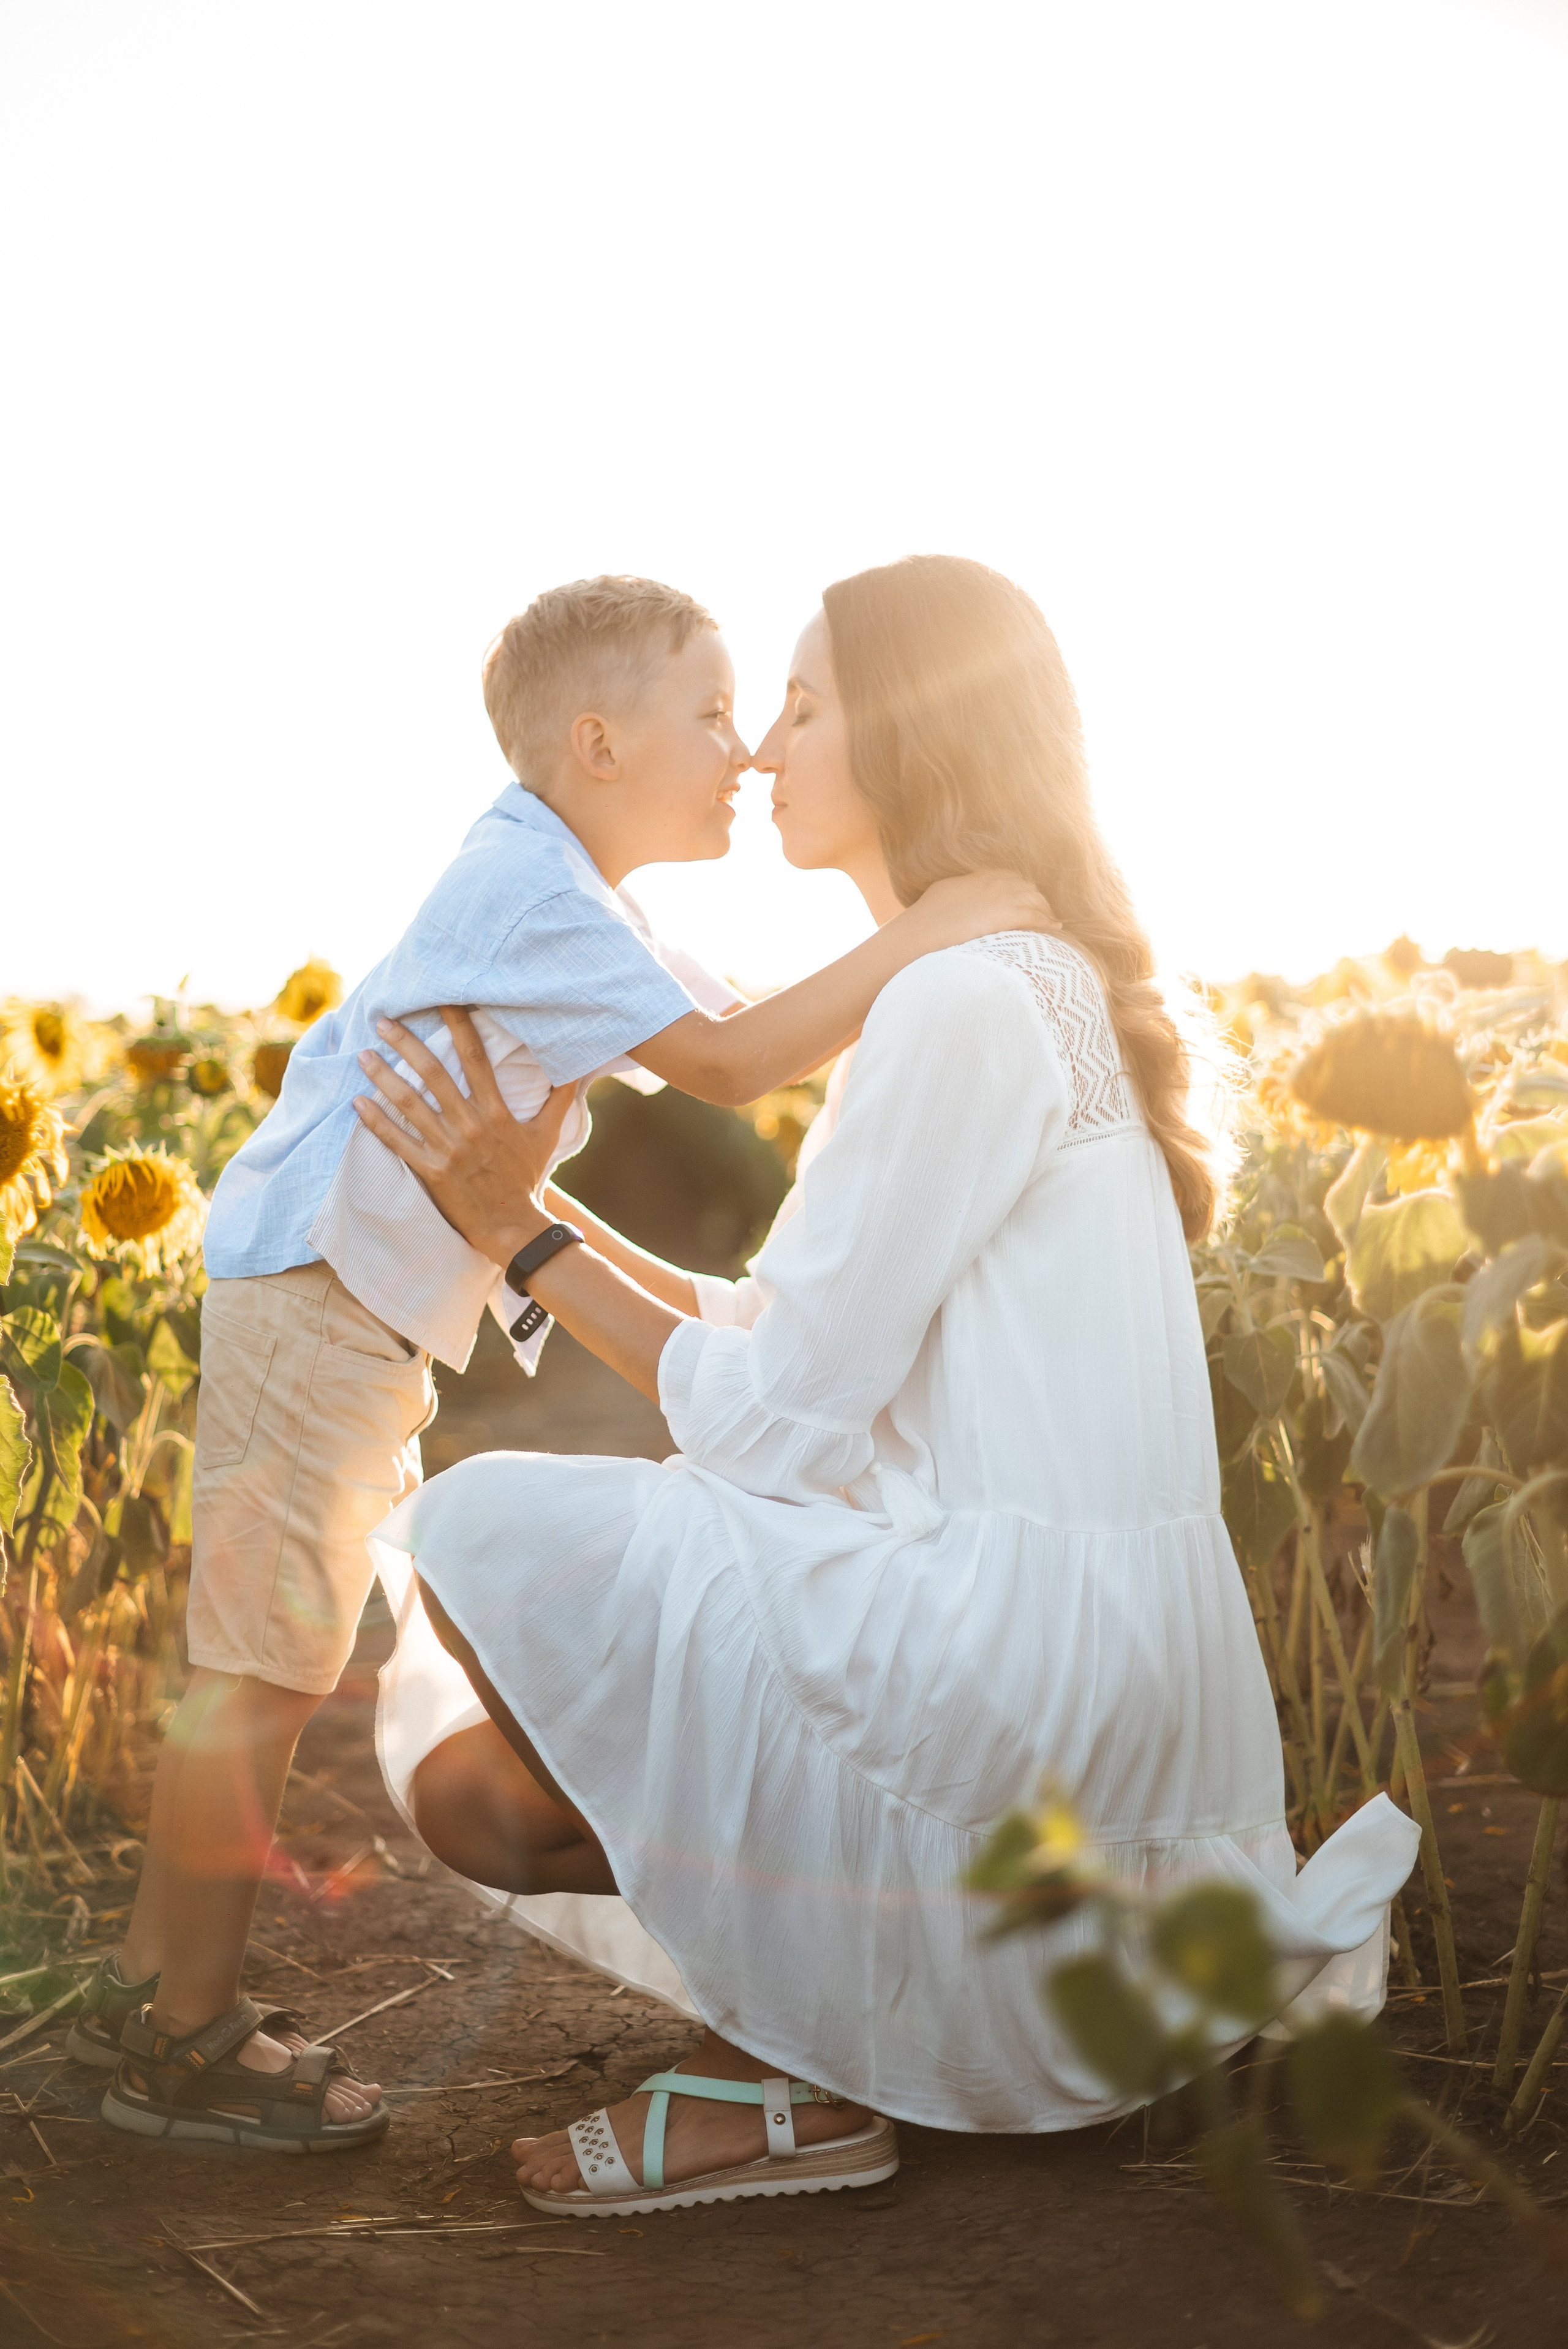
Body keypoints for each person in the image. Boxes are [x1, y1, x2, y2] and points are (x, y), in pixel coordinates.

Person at [355, 554, 1419, 2217]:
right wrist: (528, 1212)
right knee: (482, 1782)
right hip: (1091, 1663)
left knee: (482, 1534)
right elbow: (791, 1328)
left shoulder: (962, 1002)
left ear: (918, 735)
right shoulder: (1007, 981)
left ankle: (806, 2070)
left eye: (801, 704)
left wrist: (524, 1241)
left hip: (1013, 1658)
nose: (764, 747)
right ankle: (847, 2005)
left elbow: (778, 1422)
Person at [85, 573, 1053, 2152]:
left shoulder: (574, 897)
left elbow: (743, 1015)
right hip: (318, 1290)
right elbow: (732, 1064)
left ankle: (154, 1992)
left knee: (267, 1663)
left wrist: (911, 979)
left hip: (339, 1297)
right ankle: (176, 2038)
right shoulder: (536, 896)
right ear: (599, 745)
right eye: (714, 714)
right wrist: (938, 928)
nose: (746, 751)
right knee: (258, 1672)